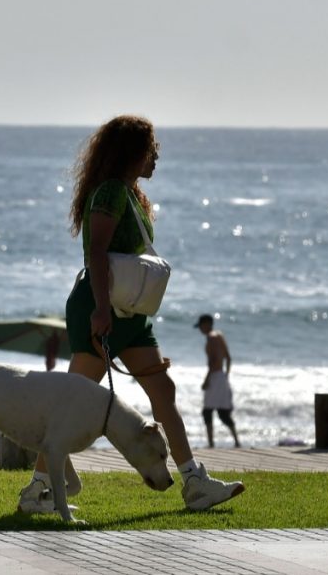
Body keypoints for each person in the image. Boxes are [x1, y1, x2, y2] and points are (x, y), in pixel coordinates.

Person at [19, 115, 244, 514]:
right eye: (150, 150)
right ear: (131, 153)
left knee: (163, 392)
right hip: (101, 307)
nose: (156, 157)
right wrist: (101, 310)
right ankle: (36, 491)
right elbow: (96, 253)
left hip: (130, 314)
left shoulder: (131, 194)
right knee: (73, 403)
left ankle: (194, 482)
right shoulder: (109, 192)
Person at [195, 314, 241, 448]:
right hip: (221, 376)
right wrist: (226, 375)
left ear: (207, 324)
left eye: (201, 326)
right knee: (223, 412)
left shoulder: (211, 338)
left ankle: (211, 443)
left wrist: (206, 380)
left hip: (214, 377)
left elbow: (213, 362)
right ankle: (236, 441)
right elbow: (228, 358)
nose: (200, 329)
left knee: (207, 411)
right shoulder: (220, 335)